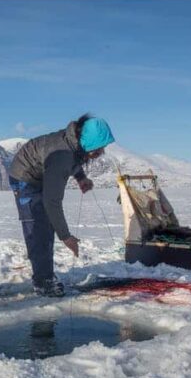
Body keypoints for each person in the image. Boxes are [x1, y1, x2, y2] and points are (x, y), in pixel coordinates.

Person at [8, 114, 114, 297]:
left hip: (40, 172)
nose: (101, 153)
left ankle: (44, 273)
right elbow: (52, 201)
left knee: (48, 225)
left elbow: (74, 159)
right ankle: (43, 282)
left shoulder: (73, 141)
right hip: (25, 177)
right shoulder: (62, 156)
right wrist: (66, 237)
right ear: (88, 143)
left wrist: (80, 177)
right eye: (98, 150)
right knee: (38, 228)